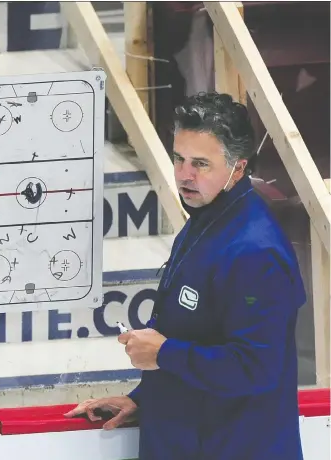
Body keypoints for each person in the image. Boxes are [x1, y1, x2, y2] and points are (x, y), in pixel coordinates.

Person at [64, 92, 306, 460]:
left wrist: (164, 353)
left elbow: (256, 368)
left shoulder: (257, 253)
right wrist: (142, 398)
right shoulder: (206, 220)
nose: (184, 175)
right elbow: (195, 334)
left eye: (201, 164)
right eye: (179, 158)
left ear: (238, 168)